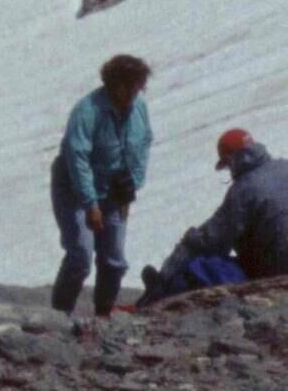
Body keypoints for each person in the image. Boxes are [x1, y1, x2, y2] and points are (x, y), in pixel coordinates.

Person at [51, 52, 152, 319]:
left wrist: (130, 190)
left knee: (114, 259)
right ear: (115, 84)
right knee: (81, 254)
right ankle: (60, 313)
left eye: (139, 86)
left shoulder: (139, 108)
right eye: (131, 86)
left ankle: (103, 312)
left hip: (115, 190)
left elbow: (142, 146)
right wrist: (90, 203)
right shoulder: (87, 111)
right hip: (74, 190)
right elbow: (77, 158)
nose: (136, 92)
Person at [143, 130, 288, 300]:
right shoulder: (284, 166)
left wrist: (168, 271)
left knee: (204, 268)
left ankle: (159, 292)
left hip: (276, 267)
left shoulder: (244, 189)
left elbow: (211, 239)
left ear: (230, 160)